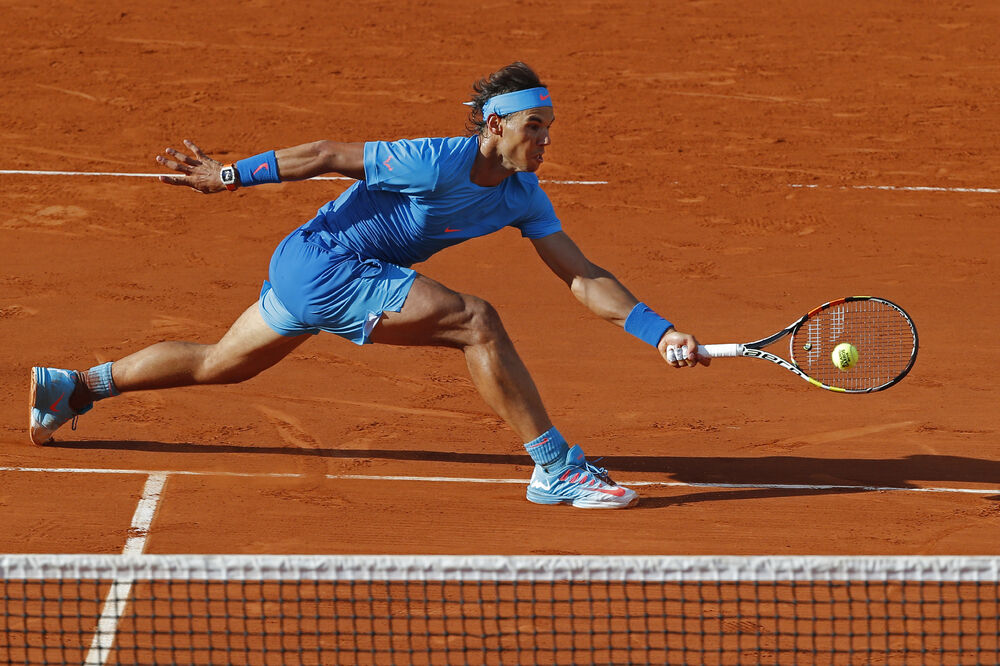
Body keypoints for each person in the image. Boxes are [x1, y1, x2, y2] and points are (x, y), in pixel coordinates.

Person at [29, 62, 707, 509]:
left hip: (310, 269)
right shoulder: (434, 161)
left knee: (219, 364)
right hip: (326, 262)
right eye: (536, 128)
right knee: (476, 321)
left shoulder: (523, 197)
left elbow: (582, 276)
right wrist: (228, 175)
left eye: (549, 130)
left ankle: (75, 388)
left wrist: (659, 332)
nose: (545, 141)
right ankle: (554, 468)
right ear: (496, 124)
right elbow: (327, 155)